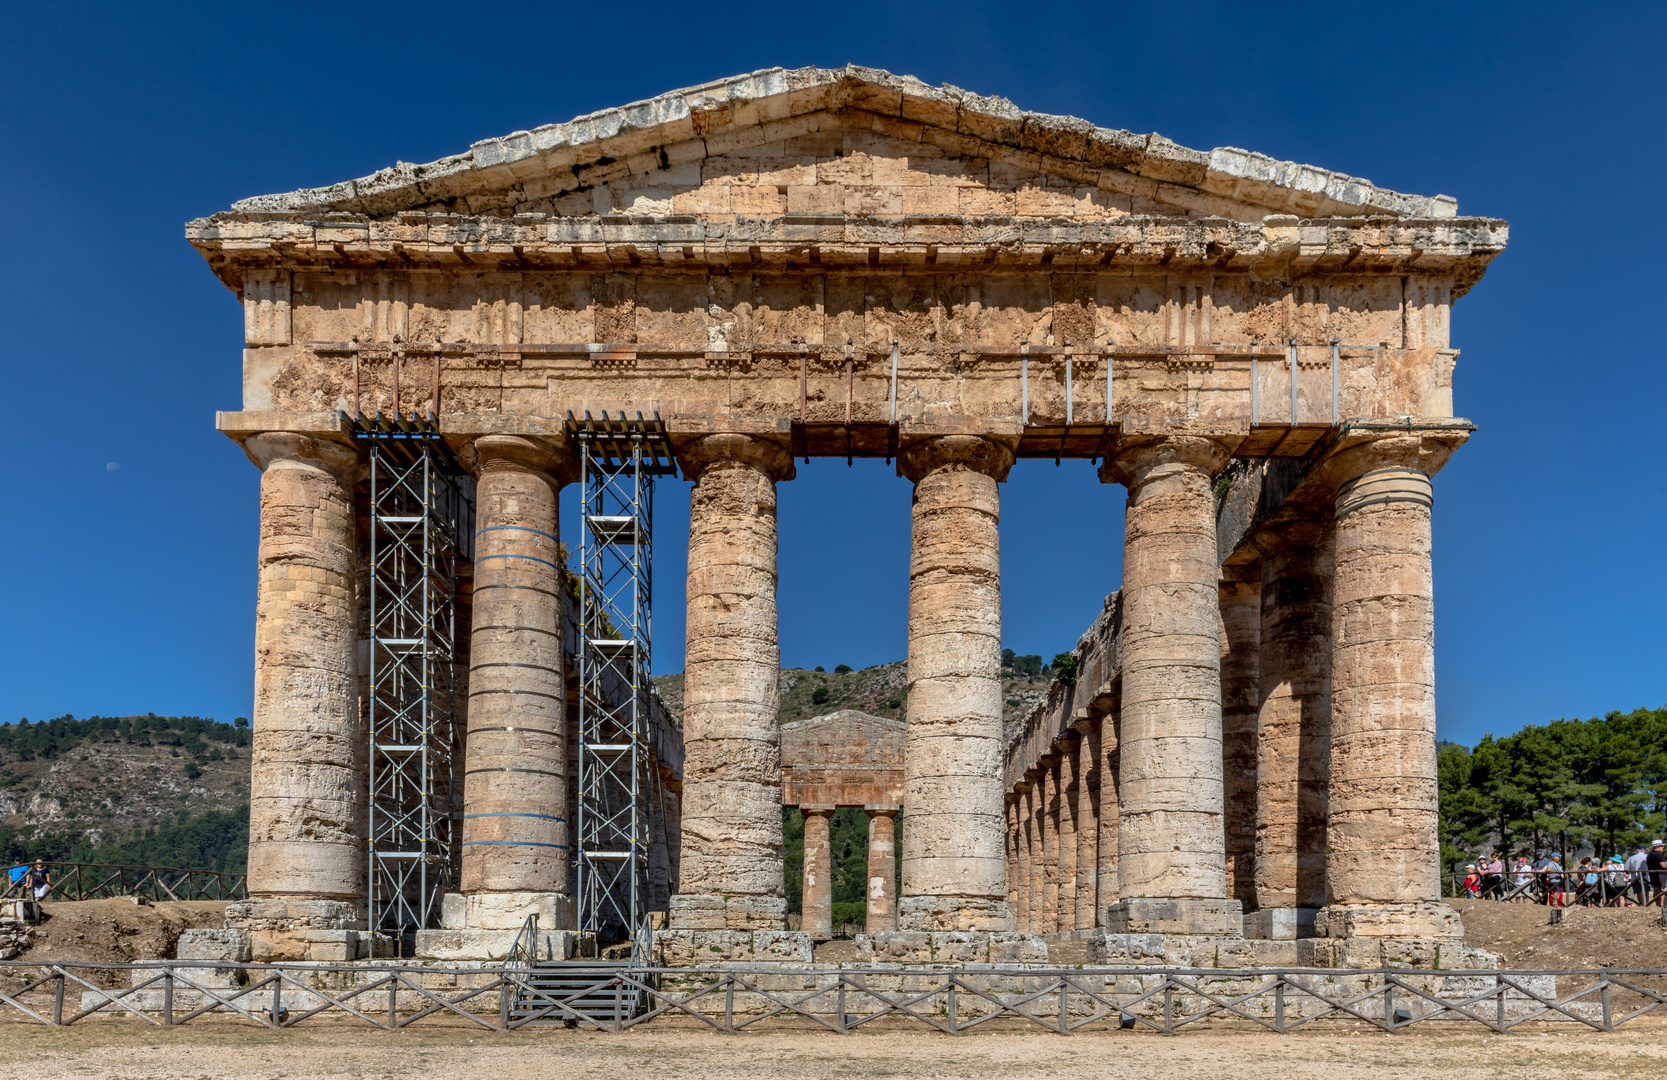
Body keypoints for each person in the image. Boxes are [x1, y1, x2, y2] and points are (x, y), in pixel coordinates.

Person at [1648, 840, 1667, 905]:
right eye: (1661, 846)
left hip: (1652, 874)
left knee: (1656, 890)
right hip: (1660, 874)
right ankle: (1661, 904)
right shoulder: (1659, 854)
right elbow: (1663, 865)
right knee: (1661, 889)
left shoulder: (1650, 855)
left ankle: (1657, 904)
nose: (1663, 847)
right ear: (1656, 847)